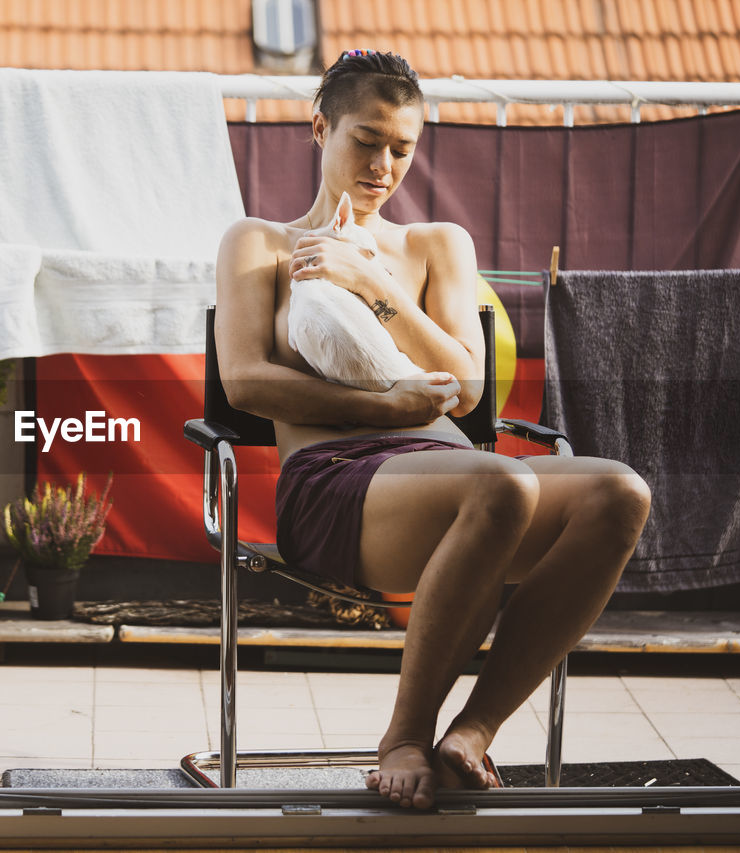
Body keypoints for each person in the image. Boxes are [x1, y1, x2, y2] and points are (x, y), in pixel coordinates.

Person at [214, 49, 651, 810]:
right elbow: (246, 381)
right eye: (367, 140)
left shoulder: (436, 246)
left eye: (403, 148)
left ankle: (473, 729)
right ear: (320, 127)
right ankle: (406, 734)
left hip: (453, 471)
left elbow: (470, 384)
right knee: (502, 480)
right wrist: (388, 408)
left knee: (619, 491)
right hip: (333, 483)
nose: (385, 164)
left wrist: (375, 286)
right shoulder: (259, 243)